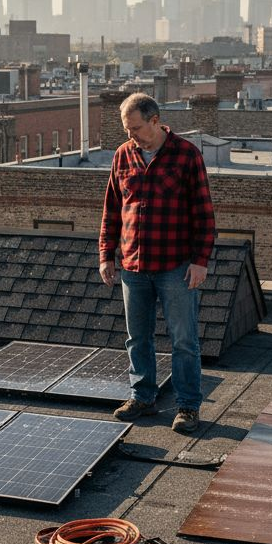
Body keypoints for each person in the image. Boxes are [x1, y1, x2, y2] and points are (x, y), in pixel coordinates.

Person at [99, 92, 216, 432]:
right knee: (137, 338)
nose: (130, 135)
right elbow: (111, 210)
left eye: (135, 128)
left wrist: (200, 261)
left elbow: (204, 214)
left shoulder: (187, 155)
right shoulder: (123, 155)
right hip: (133, 266)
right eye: (126, 129)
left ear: (155, 121)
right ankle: (142, 397)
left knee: (184, 341)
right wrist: (106, 255)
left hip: (175, 266)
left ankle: (188, 406)